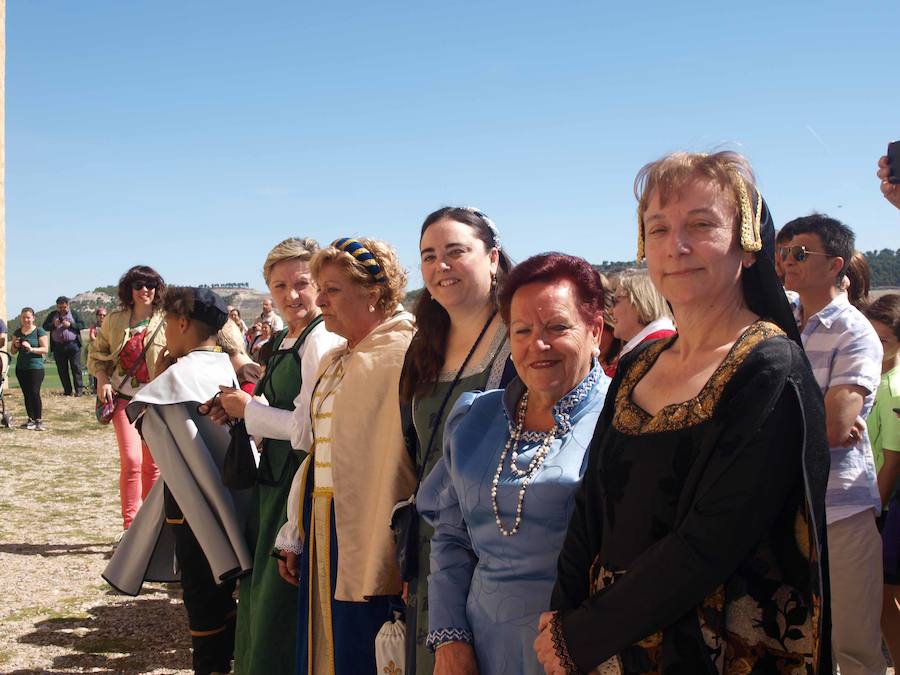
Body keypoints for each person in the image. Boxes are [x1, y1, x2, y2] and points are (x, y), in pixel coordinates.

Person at [539, 151, 832, 674]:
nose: (676, 247)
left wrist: (583, 635)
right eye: (658, 229)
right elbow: (592, 504)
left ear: (746, 247)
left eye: (701, 225)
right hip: (611, 642)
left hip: (712, 650)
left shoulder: (769, 367)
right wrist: (561, 615)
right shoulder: (642, 363)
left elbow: (713, 537)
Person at [417, 252, 610, 675]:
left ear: (595, 331)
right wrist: (450, 638)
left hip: (584, 651)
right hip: (481, 648)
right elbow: (450, 535)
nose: (536, 345)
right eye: (522, 330)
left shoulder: (624, 421)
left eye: (557, 327)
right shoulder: (475, 418)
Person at [273, 237, 416, 675]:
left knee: (366, 645)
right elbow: (321, 450)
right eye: (320, 288)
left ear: (373, 293)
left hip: (372, 526)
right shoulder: (338, 358)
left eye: (332, 289)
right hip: (324, 522)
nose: (319, 300)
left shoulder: (403, 354)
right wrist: (296, 527)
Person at [203, 237, 342, 675]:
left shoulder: (320, 341)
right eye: (280, 286)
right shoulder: (284, 337)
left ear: (320, 284)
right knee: (260, 594)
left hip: (297, 482)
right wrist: (236, 409)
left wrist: (251, 412)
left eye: (302, 283)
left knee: (280, 602)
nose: (292, 295)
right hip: (273, 480)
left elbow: (310, 432)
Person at [104, 287, 252, 675]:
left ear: (182, 322)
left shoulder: (177, 378)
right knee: (222, 599)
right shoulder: (219, 364)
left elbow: (153, 424)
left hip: (192, 507)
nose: (165, 330)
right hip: (228, 495)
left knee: (202, 601)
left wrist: (160, 378)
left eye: (167, 321)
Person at [399, 206, 515, 673]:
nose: (439, 267)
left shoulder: (520, 339)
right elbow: (412, 449)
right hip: (433, 545)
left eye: (455, 252)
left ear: (492, 257)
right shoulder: (423, 344)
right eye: (429, 256)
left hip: (498, 546)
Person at [780, 213, 884, 675]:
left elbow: (836, 429)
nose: (787, 261)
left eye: (800, 253)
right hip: (787, 509)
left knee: (853, 648)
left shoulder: (855, 331)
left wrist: (771, 426)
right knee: (794, 642)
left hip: (840, 511)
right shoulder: (781, 322)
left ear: (835, 263)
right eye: (782, 252)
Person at [88, 265, 166, 535]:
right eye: (139, 285)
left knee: (152, 465)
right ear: (129, 290)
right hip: (123, 397)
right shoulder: (115, 319)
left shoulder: (166, 319)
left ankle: (150, 529)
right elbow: (98, 353)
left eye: (150, 284)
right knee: (132, 461)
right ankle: (131, 529)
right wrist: (101, 378)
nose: (145, 290)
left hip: (156, 402)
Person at [863, 294, 900, 666]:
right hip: (879, 505)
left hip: (883, 509)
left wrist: (874, 514)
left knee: (885, 599)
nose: (876, 347)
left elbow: (892, 462)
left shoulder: (893, 389)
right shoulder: (880, 378)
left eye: (884, 340)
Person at [606, 269, 675, 376]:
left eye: (616, 301)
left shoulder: (660, 348)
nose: (610, 311)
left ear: (638, 302)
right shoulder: (653, 346)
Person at [10, 307, 49, 430]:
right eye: (23, 317)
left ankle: (39, 420)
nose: (26, 320)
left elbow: (45, 349)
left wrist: (31, 348)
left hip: (35, 368)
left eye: (28, 317)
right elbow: (12, 351)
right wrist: (16, 345)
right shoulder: (17, 332)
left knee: (34, 392)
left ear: (33, 318)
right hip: (21, 368)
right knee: (26, 394)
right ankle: (30, 419)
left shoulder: (39, 331)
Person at [42, 296, 86, 396]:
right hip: (58, 346)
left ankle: (79, 391)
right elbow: (45, 326)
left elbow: (82, 325)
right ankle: (67, 391)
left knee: (76, 367)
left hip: (73, 345)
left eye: (64, 307)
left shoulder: (74, 314)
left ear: (68, 305)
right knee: (62, 369)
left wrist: (71, 325)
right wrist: (54, 324)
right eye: (60, 307)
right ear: (57, 306)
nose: (62, 309)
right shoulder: (52, 315)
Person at [87, 308, 108, 395]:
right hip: (96, 351)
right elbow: (92, 336)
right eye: (100, 315)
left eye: (104, 315)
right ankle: (94, 388)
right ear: (97, 316)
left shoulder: (108, 326)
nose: (102, 317)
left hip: (106, 351)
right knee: (96, 369)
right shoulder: (94, 327)